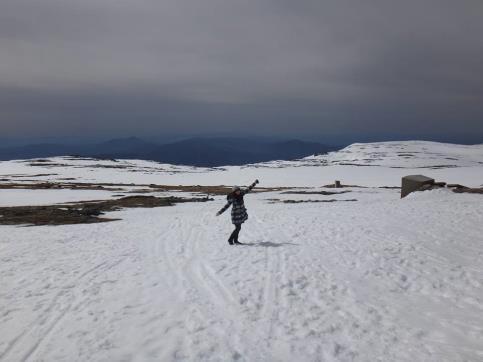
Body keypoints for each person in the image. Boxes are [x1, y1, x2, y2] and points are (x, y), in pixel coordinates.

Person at [216, 179, 259, 245]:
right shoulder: (232, 198)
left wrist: (254, 183)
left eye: (238, 190)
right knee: (238, 228)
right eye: (237, 191)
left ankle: (235, 240)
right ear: (234, 191)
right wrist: (220, 212)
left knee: (238, 228)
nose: (238, 192)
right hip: (235, 215)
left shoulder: (241, 194)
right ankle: (230, 240)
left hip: (241, 214)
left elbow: (249, 188)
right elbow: (226, 206)